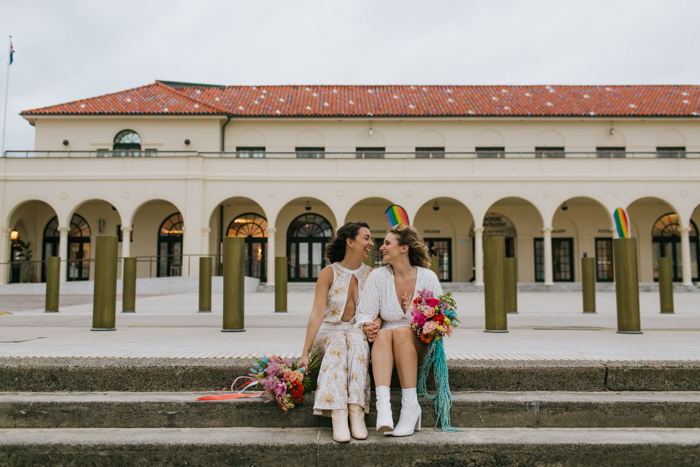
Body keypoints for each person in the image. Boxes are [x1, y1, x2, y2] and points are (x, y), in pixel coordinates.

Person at [355, 224, 442, 437]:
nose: (381, 247)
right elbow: (364, 312)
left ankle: (410, 406)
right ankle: (383, 407)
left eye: (387, 243)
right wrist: (367, 325)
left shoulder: (428, 277)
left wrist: (414, 313)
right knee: (384, 332)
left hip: (418, 344)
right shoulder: (378, 277)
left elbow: (440, 320)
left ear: (404, 248)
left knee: (402, 332)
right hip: (385, 345)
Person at [297, 221, 378, 443]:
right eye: (366, 238)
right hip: (328, 336)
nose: (371, 243)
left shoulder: (372, 274)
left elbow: (377, 311)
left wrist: (374, 324)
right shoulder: (328, 273)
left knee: (355, 337)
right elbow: (316, 313)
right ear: (350, 242)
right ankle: (338, 413)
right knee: (338, 340)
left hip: (354, 335)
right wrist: (305, 353)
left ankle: (356, 410)